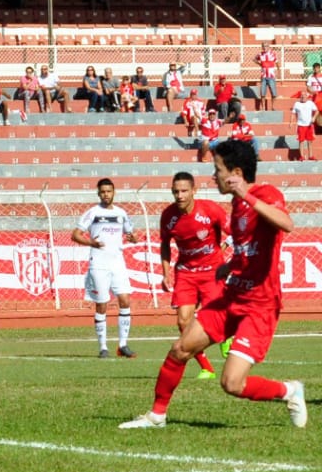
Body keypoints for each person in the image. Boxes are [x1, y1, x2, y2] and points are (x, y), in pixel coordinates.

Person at [120, 140, 306, 429]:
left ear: (236, 172)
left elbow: (286, 224)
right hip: (231, 297)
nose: (213, 176)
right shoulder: (235, 203)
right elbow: (249, 249)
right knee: (181, 348)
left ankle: (289, 391)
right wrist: (229, 265)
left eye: (216, 169)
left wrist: (247, 195)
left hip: (260, 306)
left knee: (232, 383)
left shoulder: (265, 193)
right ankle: (157, 415)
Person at [159, 171, 227, 382]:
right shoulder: (168, 216)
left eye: (184, 191)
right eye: (175, 192)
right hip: (186, 272)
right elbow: (164, 245)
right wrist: (165, 273)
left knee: (214, 318)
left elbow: (233, 232)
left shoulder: (210, 210)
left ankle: (227, 336)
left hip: (211, 271)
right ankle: (206, 367)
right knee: (183, 322)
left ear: (193, 191)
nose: (179, 196)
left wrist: (223, 250)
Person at [72, 178, 137, 359]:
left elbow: (131, 233)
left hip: (118, 263)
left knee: (125, 300)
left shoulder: (121, 213)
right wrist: (91, 242)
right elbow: (75, 235)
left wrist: (133, 238)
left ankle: (123, 345)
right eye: (103, 192)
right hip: (99, 264)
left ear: (114, 192)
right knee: (102, 304)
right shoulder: (92, 213)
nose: (106, 195)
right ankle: (103, 347)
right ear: (98, 193)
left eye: (109, 191)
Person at [291, 90, 318, 160]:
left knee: (310, 141)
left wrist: (314, 117)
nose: (303, 96)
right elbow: (293, 113)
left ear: (307, 96)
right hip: (301, 125)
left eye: (304, 95)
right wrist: (291, 122)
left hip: (309, 125)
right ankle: (302, 156)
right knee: (301, 141)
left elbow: (317, 110)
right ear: (300, 96)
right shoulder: (297, 104)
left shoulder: (310, 103)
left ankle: (311, 156)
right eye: (302, 95)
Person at [256, 42, 278, 112]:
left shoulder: (273, 54)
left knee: (273, 93)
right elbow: (254, 59)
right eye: (263, 46)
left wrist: (279, 71)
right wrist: (260, 64)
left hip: (271, 76)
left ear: (268, 47)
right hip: (263, 76)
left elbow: (277, 62)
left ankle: (273, 106)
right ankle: (263, 107)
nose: (265, 47)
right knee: (262, 93)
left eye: (266, 46)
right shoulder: (260, 54)